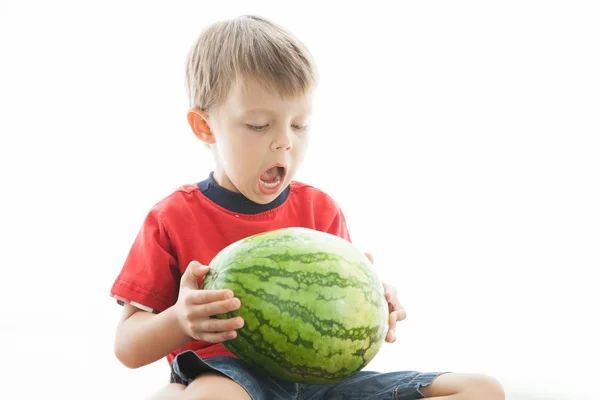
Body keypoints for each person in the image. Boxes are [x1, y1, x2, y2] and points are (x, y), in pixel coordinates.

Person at [110, 14, 505, 400]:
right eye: (260, 125)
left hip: (322, 382)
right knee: (214, 394)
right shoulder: (172, 217)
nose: (285, 142)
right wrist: (180, 319)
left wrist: (378, 305)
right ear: (205, 127)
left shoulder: (320, 210)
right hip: (230, 376)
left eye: (299, 125)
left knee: (483, 390)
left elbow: (347, 301)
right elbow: (127, 346)